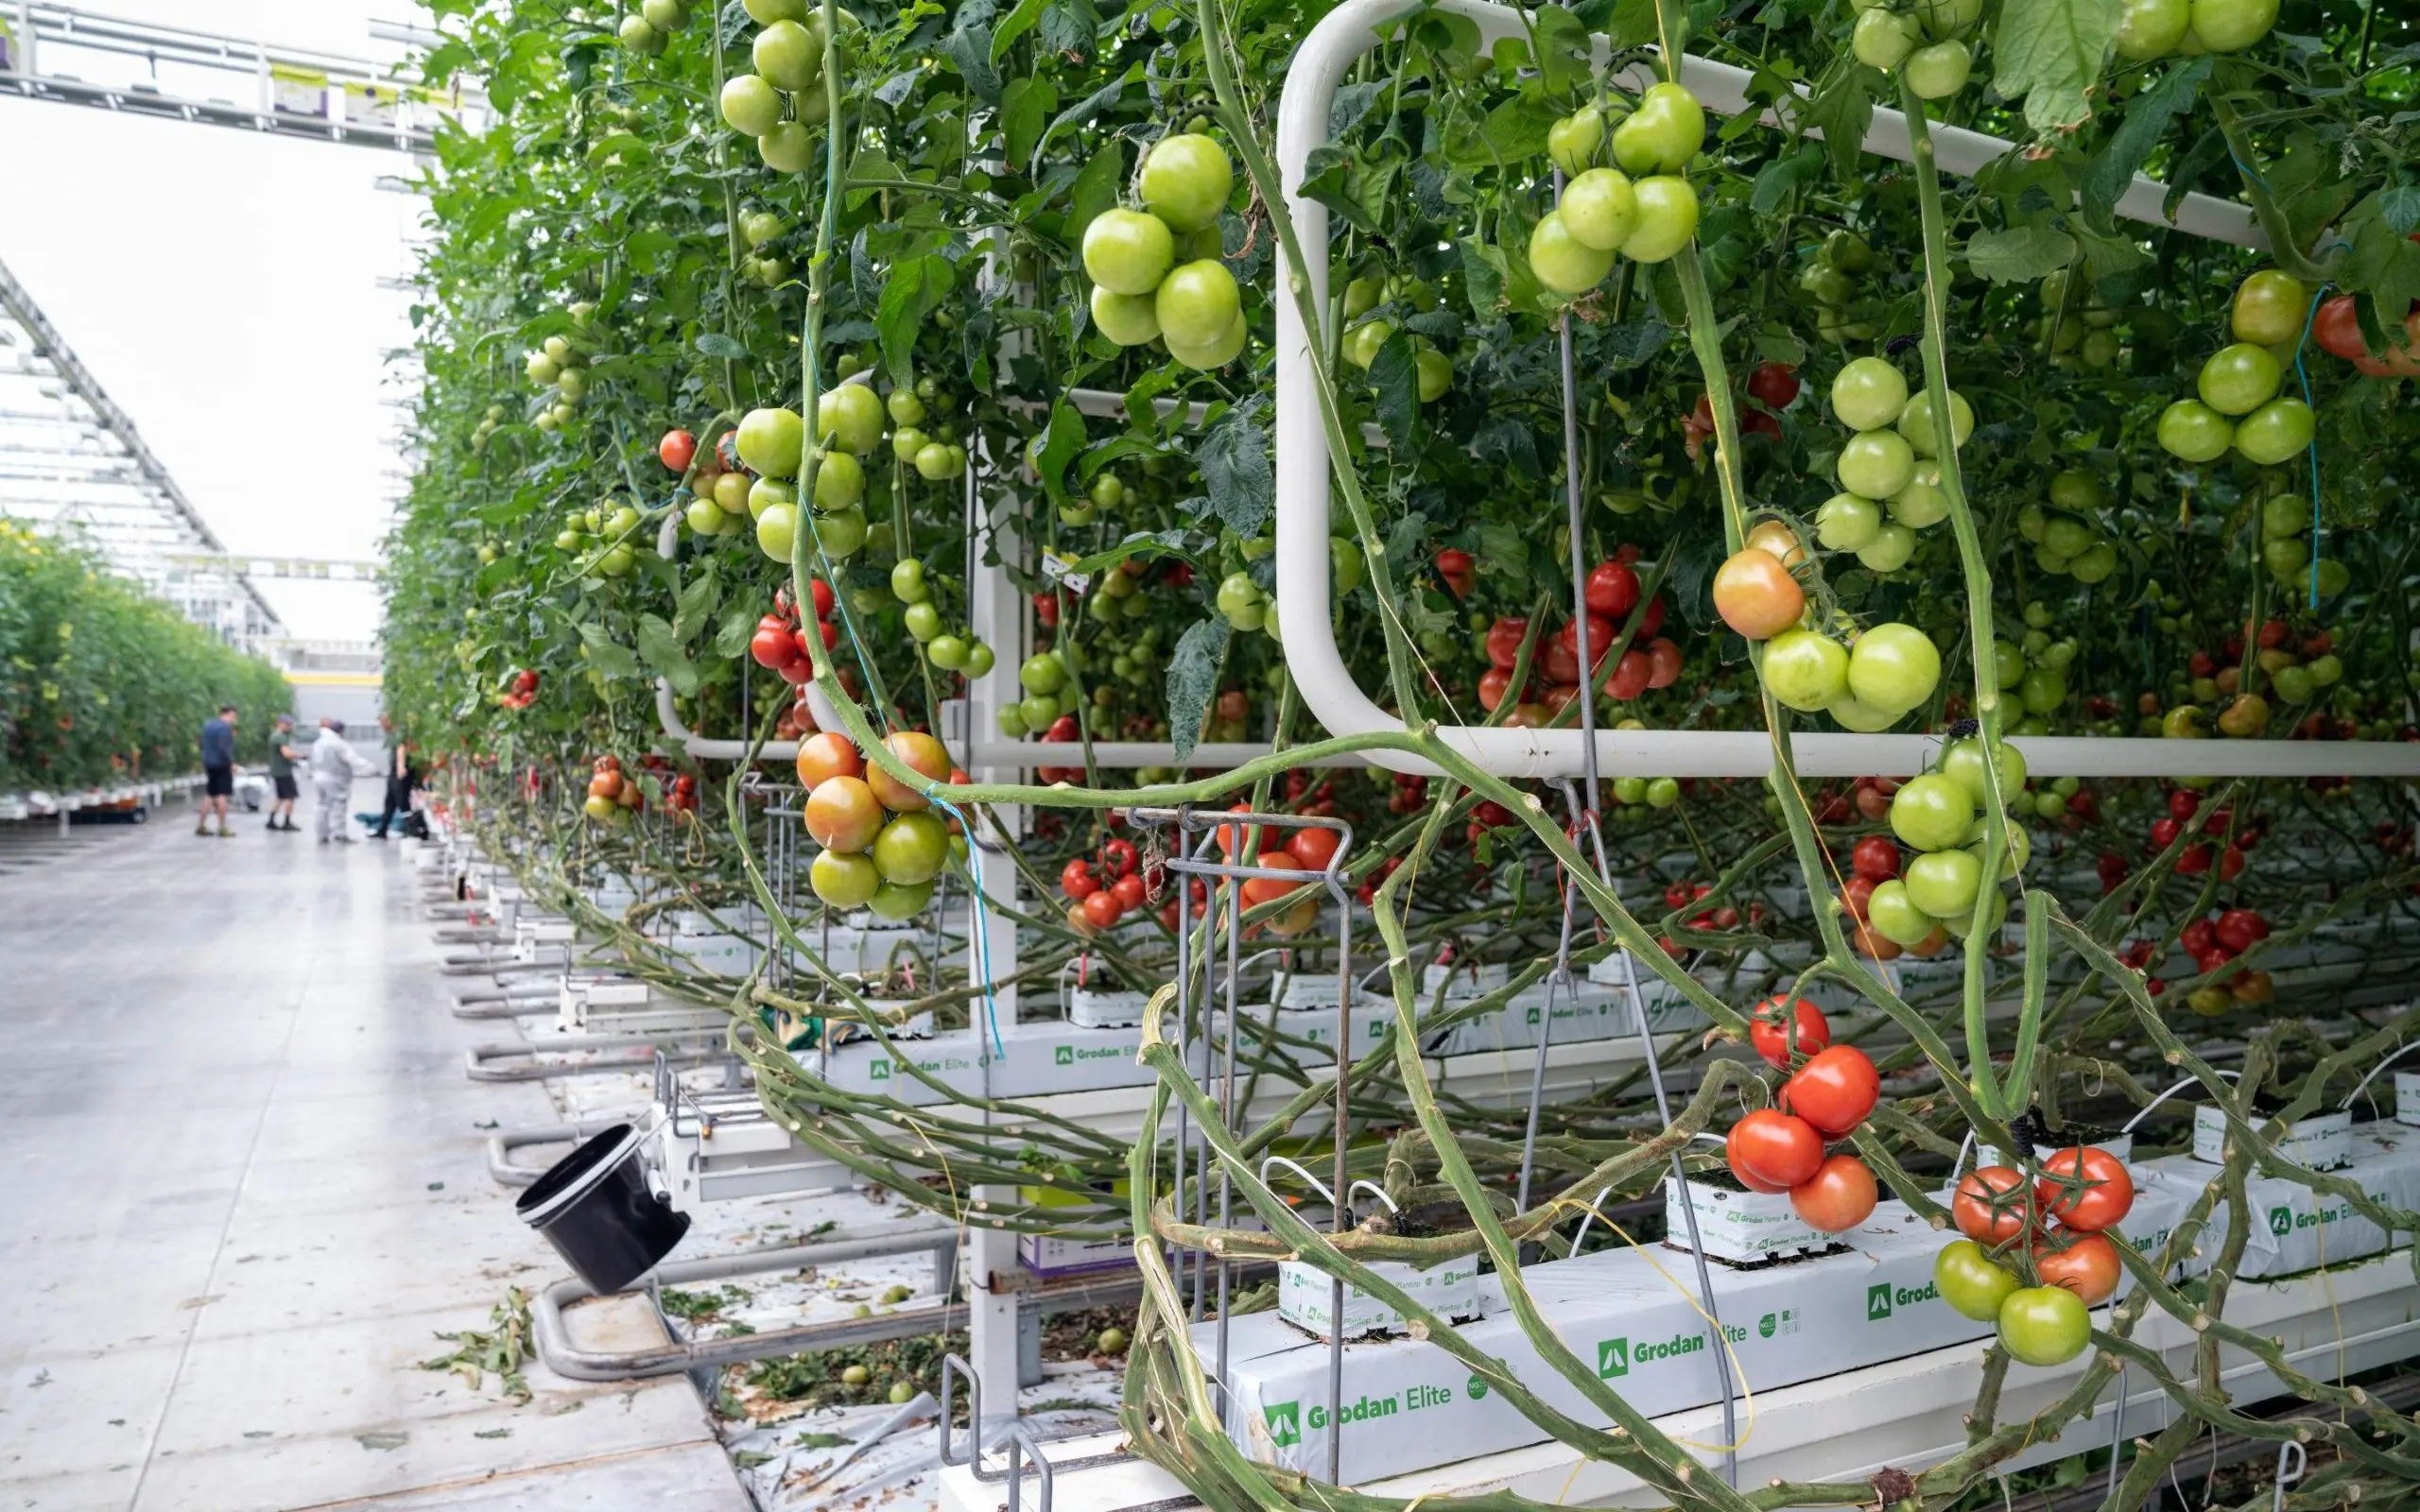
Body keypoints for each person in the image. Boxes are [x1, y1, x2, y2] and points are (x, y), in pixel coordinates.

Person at [309, 718, 377, 844]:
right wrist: (371, 768)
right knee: (338, 805)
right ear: (341, 730)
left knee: (321, 805)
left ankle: (321, 834)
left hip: (318, 776)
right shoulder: (338, 744)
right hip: (335, 778)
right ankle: (339, 834)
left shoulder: (318, 743)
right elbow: (353, 759)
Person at [197, 705, 238, 837]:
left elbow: (202, 744)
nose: (234, 719)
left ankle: (201, 826)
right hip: (221, 765)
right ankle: (222, 827)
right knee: (222, 795)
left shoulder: (208, 726)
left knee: (210, 794)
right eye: (233, 716)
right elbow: (223, 747)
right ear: (226, 714)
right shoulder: (224, 728)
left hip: (209, 763)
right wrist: (231, 763)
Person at [371, 728, 420, 839]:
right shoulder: (395, 734)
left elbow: (402, 748)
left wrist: (401, 766)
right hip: (395, 772)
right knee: (389, 803)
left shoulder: (403, 733)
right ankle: (382, 829)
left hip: (401, 772)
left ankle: (413, 829)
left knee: (402, 802)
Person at [265, 714, 304, 833]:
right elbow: (286, 753)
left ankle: (271, 820)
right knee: (290, 797)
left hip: (277, 771)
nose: (289, 727)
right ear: (280, 723)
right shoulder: (280, 737)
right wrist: (300, 755)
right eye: (287, 725)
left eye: (290, 725)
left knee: (280, 797)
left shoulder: (274, 736)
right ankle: (286, 822)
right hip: (284, 771)